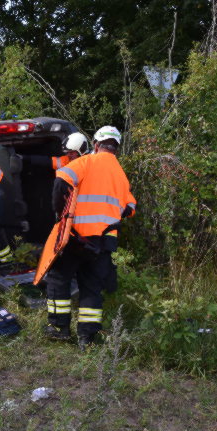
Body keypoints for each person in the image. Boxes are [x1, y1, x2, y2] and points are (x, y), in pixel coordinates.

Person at [44, 126, 136, 350]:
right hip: (104, 242)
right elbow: (130, 208)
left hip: (76, 237)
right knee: (92, 287)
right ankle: (87, 338)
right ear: (116, 148)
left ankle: (59, 329)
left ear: (95, 144)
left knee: (58, 279)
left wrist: (61, 216)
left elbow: (60, 182)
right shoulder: (121, 176)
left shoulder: (86, 163)